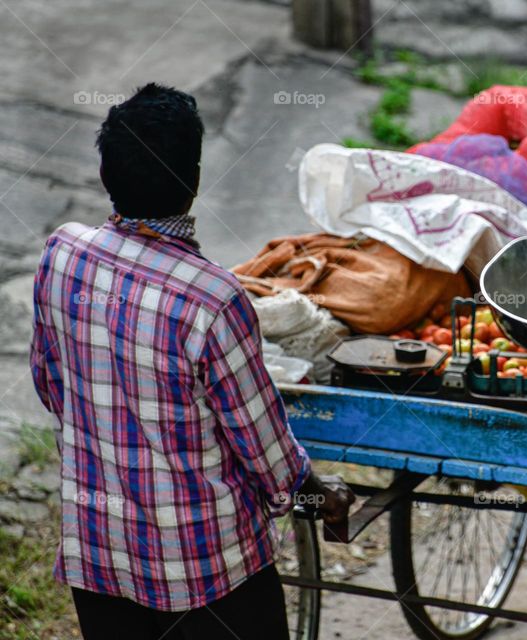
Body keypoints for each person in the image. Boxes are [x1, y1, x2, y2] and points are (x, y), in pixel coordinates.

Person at [29, 83, 353, 639]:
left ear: (106, 176)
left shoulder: (63, 256)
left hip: (100, 552)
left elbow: (50, 381)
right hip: (209, 571)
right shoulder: (211, 299)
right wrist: (319, 494)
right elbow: (264, 451)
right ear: (195, 181)